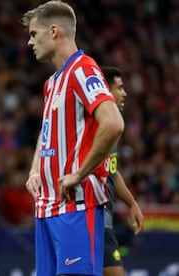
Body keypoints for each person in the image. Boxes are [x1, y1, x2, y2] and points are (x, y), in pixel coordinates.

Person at [21, 1, 125, 275]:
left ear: (54, 31)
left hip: (76, 204)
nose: (30, 42)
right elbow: (46, 133)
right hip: (47, 206)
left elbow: (113, 123)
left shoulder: (83, 69)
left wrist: (78, 174)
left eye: (34, 34)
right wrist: (34, 170)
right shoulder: (52, 82)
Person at [100, 66, 144, 276]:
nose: (124, 93)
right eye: (119, 88)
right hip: (90, 220)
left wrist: (132, 203)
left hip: (104, 224)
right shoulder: (93, 125)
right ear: (105, 91)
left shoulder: (114, 127)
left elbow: (112, 172)